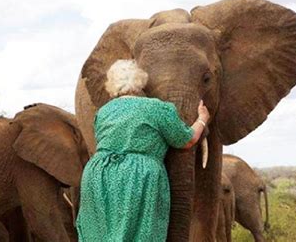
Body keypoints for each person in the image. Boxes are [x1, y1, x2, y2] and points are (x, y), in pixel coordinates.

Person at [76, 59, 210, 241]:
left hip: (98, 175)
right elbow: (186, 140)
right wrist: (202, 119)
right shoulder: (156, 108)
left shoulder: (103, 112)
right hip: (138, 176)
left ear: (111, 85)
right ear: (141, 81)